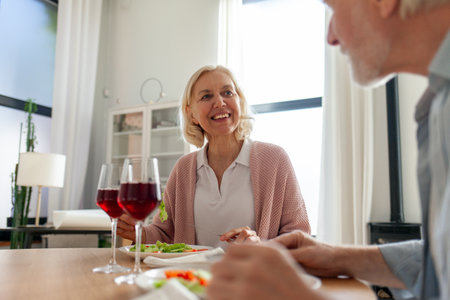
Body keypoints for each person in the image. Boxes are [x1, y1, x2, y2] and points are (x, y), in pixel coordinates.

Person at [207, 0, 450, 299]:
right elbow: (442, 261)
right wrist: (338, 257)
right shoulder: (439, 103)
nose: (331, 36)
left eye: (332, 9)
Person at [117, 65, 310, 248]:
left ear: (239, 102)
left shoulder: (274, 159)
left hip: (252, 279)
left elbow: (298, 235)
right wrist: (137, 233)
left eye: (228, 93)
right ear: (191, 113)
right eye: (206, 96)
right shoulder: (184, 168)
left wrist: (262, 247)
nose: (219, 102)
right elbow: (164, 233)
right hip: (193, 280)